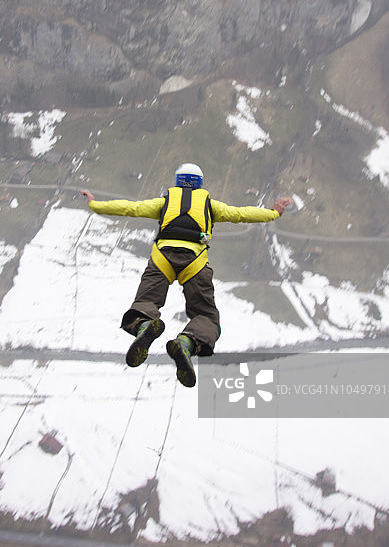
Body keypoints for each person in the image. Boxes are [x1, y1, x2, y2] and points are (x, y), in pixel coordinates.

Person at [81, 164, 292, 388]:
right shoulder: (210, 206)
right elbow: (241, 214)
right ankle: (186, 342)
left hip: (162, 258)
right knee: (206, 315)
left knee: (145, 302)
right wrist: (273, 213)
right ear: (200, 183)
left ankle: (144, 326)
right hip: (195, 260)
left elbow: (130, 208)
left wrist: (95, 205)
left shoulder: (164, 202)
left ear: (177, 181)